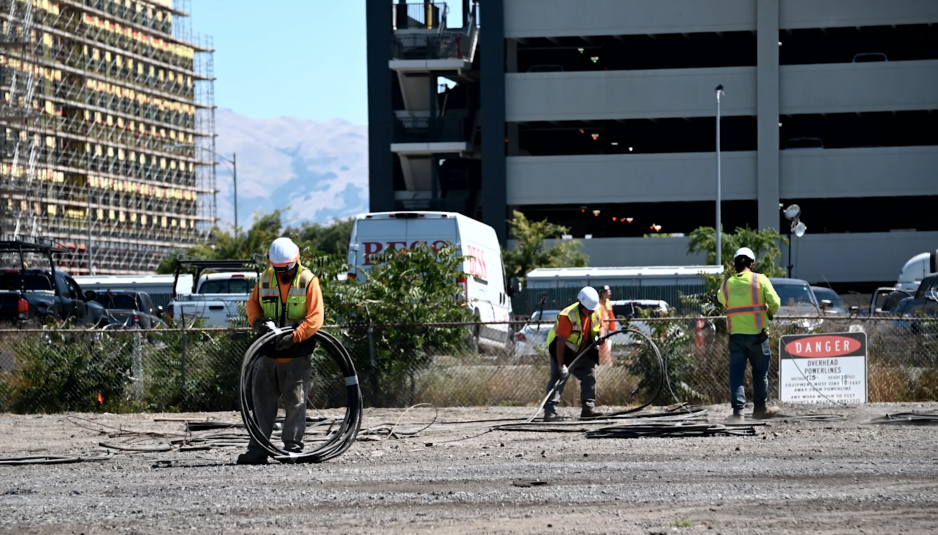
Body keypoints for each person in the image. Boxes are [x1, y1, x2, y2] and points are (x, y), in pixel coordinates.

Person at [237, 237, 324, 465]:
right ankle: (258, 450)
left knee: (295, 403)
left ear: (296, 261)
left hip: (296, 355)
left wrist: (294, 336)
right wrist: (258, 322)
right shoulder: (265, 279)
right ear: (271, 263)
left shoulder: (308, 280)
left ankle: (292, 449)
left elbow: (315, 318)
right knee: (261, 404)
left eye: (287, 269)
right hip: (267, 354)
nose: (283, 274)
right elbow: (252, 305)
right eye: (278, 269)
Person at [716, 247, 781, 421]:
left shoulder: (727, 284)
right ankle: (760, 409)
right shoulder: (760, 280)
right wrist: (768, 312)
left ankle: (738, 413)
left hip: (736, 336)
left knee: (736, 374)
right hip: (758, 336)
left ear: (736, 265)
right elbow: (775, 302)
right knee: (760, 374)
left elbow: (721, 300)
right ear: (752, 264)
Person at [542, 287, 605, 421]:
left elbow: (601, 326)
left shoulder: (595, 311)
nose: (591, 311)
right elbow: (560, 342)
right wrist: (561, 366)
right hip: (564, 351)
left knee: (589, 376)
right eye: (588, 308)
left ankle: (588, 409)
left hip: (583, 350)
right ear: (581, 304)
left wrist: (600, 336)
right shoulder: (568, 316)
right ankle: (550, 413)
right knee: (558, 378)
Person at [596, 285, 617, 365]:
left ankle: (606, 361)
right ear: (602, 293)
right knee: (601, 345)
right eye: (607, 292)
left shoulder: (608, 302)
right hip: (600, 328)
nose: (609, 293)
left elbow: (610, 314)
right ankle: (601, 361)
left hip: (606, 328)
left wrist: (613, 326)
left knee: (607, 345)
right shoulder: (598, 303)